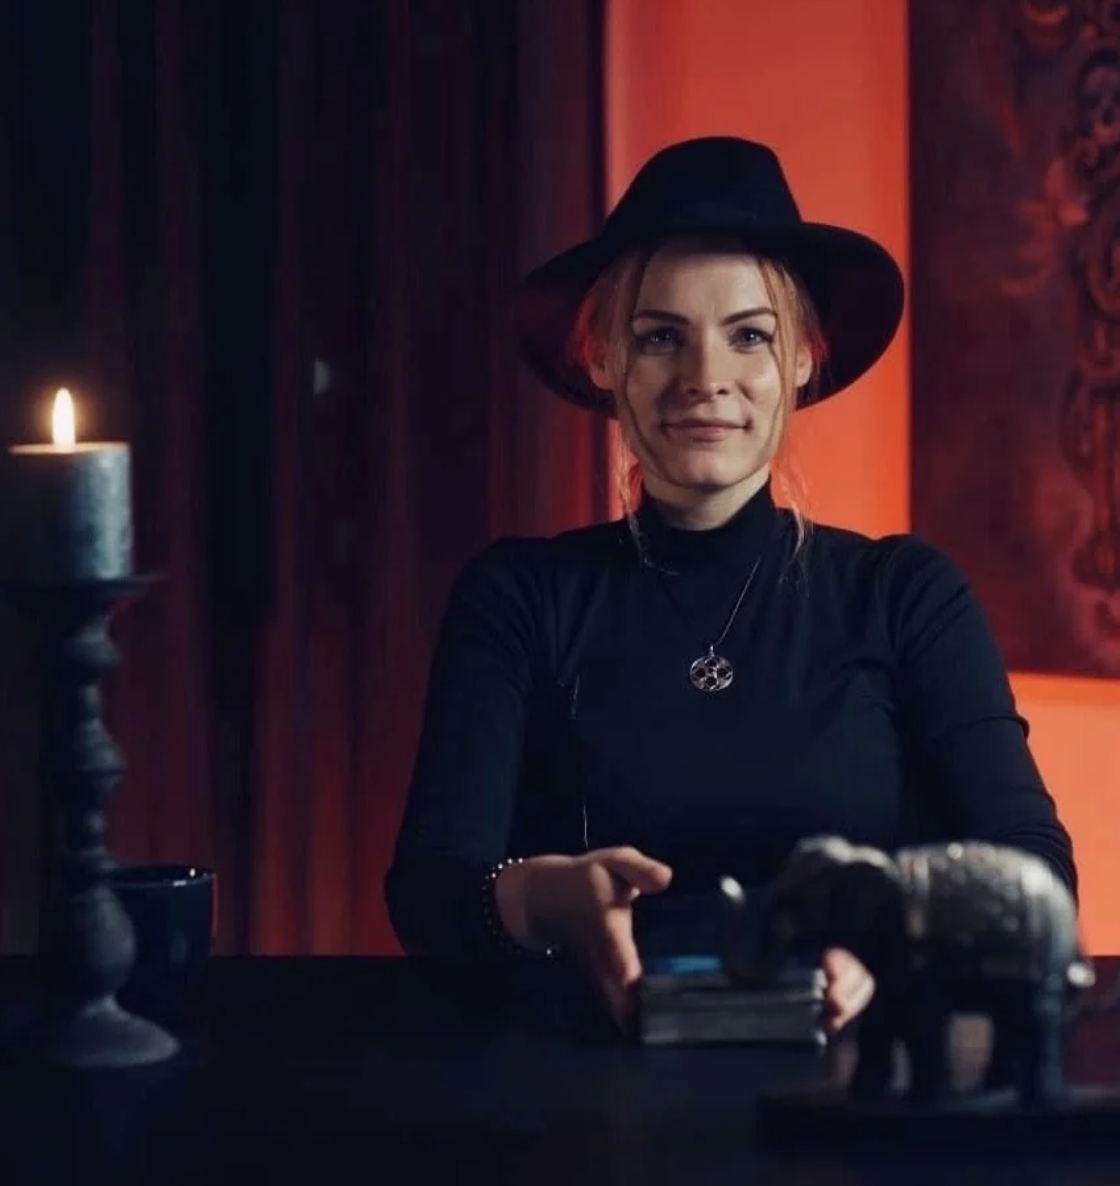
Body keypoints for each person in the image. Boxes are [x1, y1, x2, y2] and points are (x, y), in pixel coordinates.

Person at [384, 137, 1078, 1034]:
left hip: (852, 1089)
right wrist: (543, 896)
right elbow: (431, 894)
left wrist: (894, 943)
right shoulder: (518, 596)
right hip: (583, 1091)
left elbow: (1036, 874)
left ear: (802, 358)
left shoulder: (907, 595)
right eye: (660, 337)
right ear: (603, 360)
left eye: (749, 336)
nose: (705, 380)